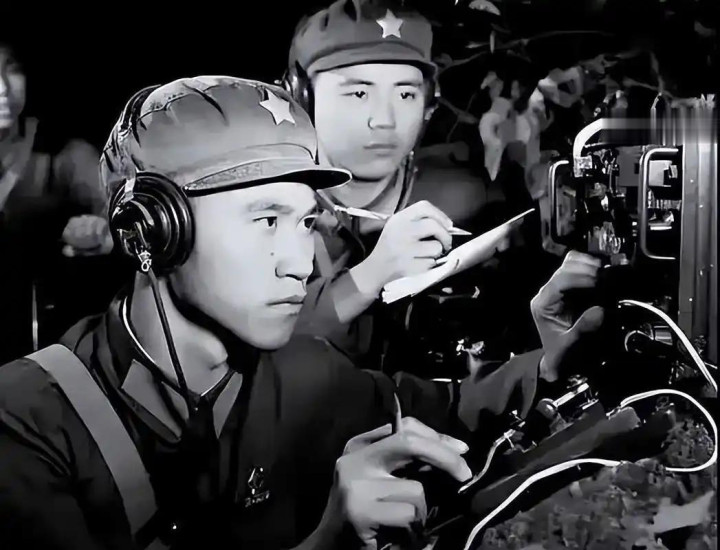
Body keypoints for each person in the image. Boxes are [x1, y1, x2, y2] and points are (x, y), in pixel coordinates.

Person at [0, 75, 604, 550]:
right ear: (153, 230)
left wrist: (549, 365)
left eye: (306, 221)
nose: (298, 262)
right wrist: (329, 542)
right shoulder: (26, 419)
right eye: (266, 219)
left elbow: (457, 412)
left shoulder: (308, 374)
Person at [284, 0, 542, 368]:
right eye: (358, 93)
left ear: (428, 104)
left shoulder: (471, 199)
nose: (385, 120)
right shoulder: (262, 211)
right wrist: (370, 275)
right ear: (302, 98)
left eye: (405, 94)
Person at [0, 40, 114, 364]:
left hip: (44, 354)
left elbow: (120, 219)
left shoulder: (64, 154)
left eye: (12, 69)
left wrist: (100, 233)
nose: (3, 87)